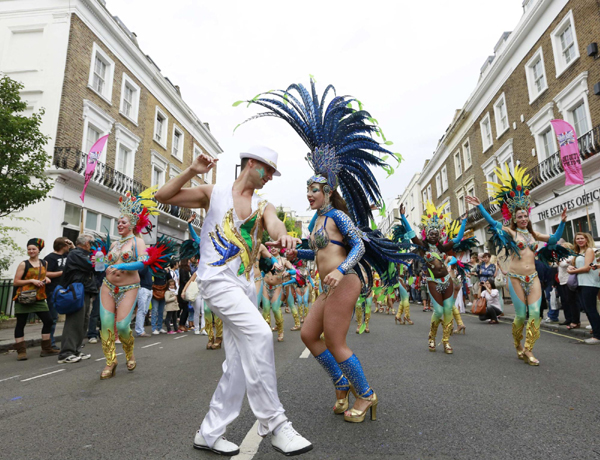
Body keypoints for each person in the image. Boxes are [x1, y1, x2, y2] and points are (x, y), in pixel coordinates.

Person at [249, 80, 413, 427]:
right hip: (328, 284)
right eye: (307, 189)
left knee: (336, 342)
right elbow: (317, 254)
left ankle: (366, 394)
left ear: (327, 191)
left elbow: (360, 245)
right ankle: (341, 384)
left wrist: (342, 271)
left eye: (314, 190)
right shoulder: (316, 222)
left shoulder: (338, 216)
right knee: (309, 336)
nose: (308, 194)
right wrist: (295, 252)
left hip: (345, 280)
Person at [155, 145, 312, 456]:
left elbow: (275, 223)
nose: (269, 177)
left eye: (272, 174)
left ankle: (209, 433)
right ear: (251, 164)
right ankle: (275, 424)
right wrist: (191, 171)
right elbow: (163, 195)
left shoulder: (262, 204)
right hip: (215, 280)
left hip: (242, 286)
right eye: (267, 170)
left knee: (238, 364)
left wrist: (284, 235)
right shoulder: (213, 192)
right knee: (260, 333)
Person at [466, 163, 567, 365]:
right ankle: (518, 344)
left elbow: (555, 239)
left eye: (525, 215)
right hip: (516, 279)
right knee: (520, 316)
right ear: (514, 217)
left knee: (536, 314)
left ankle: (528, 349)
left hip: (534, 278)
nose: (522, 218)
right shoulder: (510, 232)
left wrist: (563, 221)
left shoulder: (533, 234)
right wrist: (479, 207)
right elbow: (494, 225)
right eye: (519, 216)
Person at [98, 189, 173, 380]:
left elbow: (142, 263)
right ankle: (110, 361)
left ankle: (129, 354)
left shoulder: (138, 242)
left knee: (122, 327)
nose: (119, 224)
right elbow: (102, 267)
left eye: (123, 222)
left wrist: (121, 265)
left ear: (132, 223)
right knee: (106, 326)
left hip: (129, 288)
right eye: (118, 222)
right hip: (107, 287)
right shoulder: (114, 244)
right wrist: (98, 261)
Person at [399, 202, 467, 354]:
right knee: (438, 311)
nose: (434, 235)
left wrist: (464, 221)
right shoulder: (423, 247)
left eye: (436, 233)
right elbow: (411, 235)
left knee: (448, 310)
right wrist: (403, 217)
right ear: (427, 234)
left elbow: (458, 238)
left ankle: (446, 341)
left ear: (439, 235)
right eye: (431, 233)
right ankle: (432, 337)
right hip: (433, 282)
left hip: (447, 281)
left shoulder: (443, 247)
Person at [12, 238, 56, 361]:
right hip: (24, 297)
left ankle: (46, 349)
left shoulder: (44, 263)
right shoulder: (23, 264)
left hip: (39, 297)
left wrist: (45, 279)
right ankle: (21, 352)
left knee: (48, 321)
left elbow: (42, 275)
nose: (31, 251)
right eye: (29, 249)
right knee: (21, 324)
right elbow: (16, 282)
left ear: (38, 250)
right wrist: (31, 280)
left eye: (33, 249)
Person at [57, 234, 98, 364]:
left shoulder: (80, 253)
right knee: (74, 322)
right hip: (77, 291)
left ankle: (75, 350)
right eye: (92, 243)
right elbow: (90, 265)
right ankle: (66, 353)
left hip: (85, 290)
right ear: (86, 243)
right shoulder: (76, 254)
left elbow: (97, 268)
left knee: (83, 322)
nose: (94, 246)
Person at [569, 232, 600, 345]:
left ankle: (597, 336)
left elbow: (587, 268)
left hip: (590, 283)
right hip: (581, 283)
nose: (580, 240)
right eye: (578, 239)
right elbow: (581, 267)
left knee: (590, 309)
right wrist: (572, 267)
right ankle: (596, 332)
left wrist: (571, 271)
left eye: (582, 238)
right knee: (587, 309)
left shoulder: (589, 250)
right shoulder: (578, 252)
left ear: (587, 239)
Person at [44, 237, 74, 349]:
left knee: (71, 316)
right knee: (53, 317)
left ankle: (70, 342)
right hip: (53, 290)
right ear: (63, 246)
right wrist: (61, 273)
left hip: (66, 289)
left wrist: (72, 246)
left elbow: (77, 255)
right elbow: (45, 273)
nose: (69, 247)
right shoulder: (50, 258)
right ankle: (50, 343)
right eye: (67, 245)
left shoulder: (68, 256)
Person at [556, 242, 578, 328]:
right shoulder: (561, 257)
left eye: (563, 248)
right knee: (564, 301)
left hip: (569, 280)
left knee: (571, 301)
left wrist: (559, 261)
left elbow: (564, 264)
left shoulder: (571, 256)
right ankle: (568, 319)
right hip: (561, 281)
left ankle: (574, 320)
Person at [134, 265, 153, 337]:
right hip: (143, 288)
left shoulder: (148, 266)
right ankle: (139, 330)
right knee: (141, 310)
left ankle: (141, 329)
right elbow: (141, 273)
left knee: (145, 311)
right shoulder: (141, 266)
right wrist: (147, 264)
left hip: (149, 288)